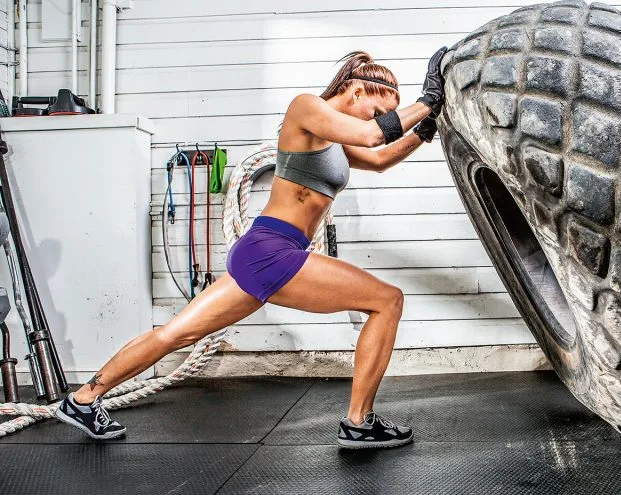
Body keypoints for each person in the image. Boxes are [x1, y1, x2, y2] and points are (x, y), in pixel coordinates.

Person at [54, 47, 448, 450]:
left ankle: (82, 399)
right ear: (357, 89)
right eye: (377, 108)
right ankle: (359, 422)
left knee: (175, 334)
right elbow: (373, 134)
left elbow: (380, 157)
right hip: (272, 251)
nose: (375, 118)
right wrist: (428, 100)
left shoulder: (335, 136)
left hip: (261, 254)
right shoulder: (307, 108)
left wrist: (424, 129)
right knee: (387, 301)